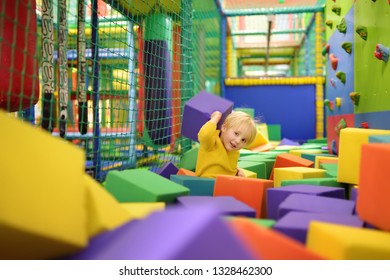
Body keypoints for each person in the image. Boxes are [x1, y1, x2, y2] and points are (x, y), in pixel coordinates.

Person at [195, 110, 257, 178]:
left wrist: (237, 171)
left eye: (243, 140)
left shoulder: (235, 152)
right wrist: (215, 118)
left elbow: (227, 168)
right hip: (208, 182)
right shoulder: (212, 142)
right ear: (224, 127)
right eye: (236, 133)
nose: (238, 141)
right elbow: (204, 135)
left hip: (226, 184)